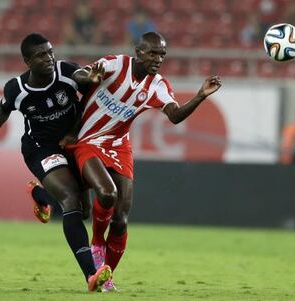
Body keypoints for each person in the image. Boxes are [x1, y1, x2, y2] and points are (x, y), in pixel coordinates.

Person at [64, 31, 222, 291]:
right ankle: (96, 244)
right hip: (88, 139)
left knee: (122, 218)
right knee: (106, 194)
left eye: (162, 54)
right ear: (138, 52)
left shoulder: (158, 86)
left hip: (119, 145)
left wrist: (200, 96)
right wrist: (89, 76)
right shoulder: (115, 65)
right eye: (152, 53)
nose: (158, 58)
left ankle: (105, 277)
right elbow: (79, 75)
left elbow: (174, 116)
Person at [0, 33, 112, 292]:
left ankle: (40, 195)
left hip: (73, 143)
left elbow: (82, 78)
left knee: (84, 211)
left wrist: (91, 78)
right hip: (41, 149)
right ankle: (91, 274)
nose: (49, 58)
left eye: (50, 51)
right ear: (27, 61)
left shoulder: (65, 71)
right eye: (41, 55)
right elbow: (2, 109)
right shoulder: (17, 89)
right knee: (70, 200)